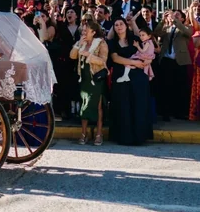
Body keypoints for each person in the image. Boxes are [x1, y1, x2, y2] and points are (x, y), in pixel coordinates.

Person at [108, 17, 153, 145]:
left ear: (126, 26)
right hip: (121, 77)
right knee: (123, 107)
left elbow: (147, 52)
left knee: (138, 105)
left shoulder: (135, 39)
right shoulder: (112, 42)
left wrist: (145, 62)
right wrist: (134, 62)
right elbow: (115, 58)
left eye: (121, 24)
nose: (119, 26)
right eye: (116, 25)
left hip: (138, 77)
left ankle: (139, 137)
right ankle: (124, 137)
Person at [70, 20, 108, 145]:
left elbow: (103, 61)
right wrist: (78, 45)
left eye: (86, 30)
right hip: (84, 78)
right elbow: (72, 56)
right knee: (84, 104)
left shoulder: (101, 43)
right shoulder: (81, 42)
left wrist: (89, 56)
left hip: (95, 78)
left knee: (97, 106)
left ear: (94, 32)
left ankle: (99, 134)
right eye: (83, 30)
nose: (84, 32)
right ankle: (83, 133)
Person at [153, 9, 192, 121]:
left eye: (177, 15)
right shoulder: (167, 28)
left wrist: (174, 20)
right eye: (173, 15)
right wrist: (162, 21)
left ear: (182, 18)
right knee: (166, 87)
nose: (174, 16)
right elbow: (156, 33)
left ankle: (179, 112)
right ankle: (166, 112)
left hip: (179, 61)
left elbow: (187, 33)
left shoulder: (186, 27)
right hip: (167, 60)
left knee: (180, 88)